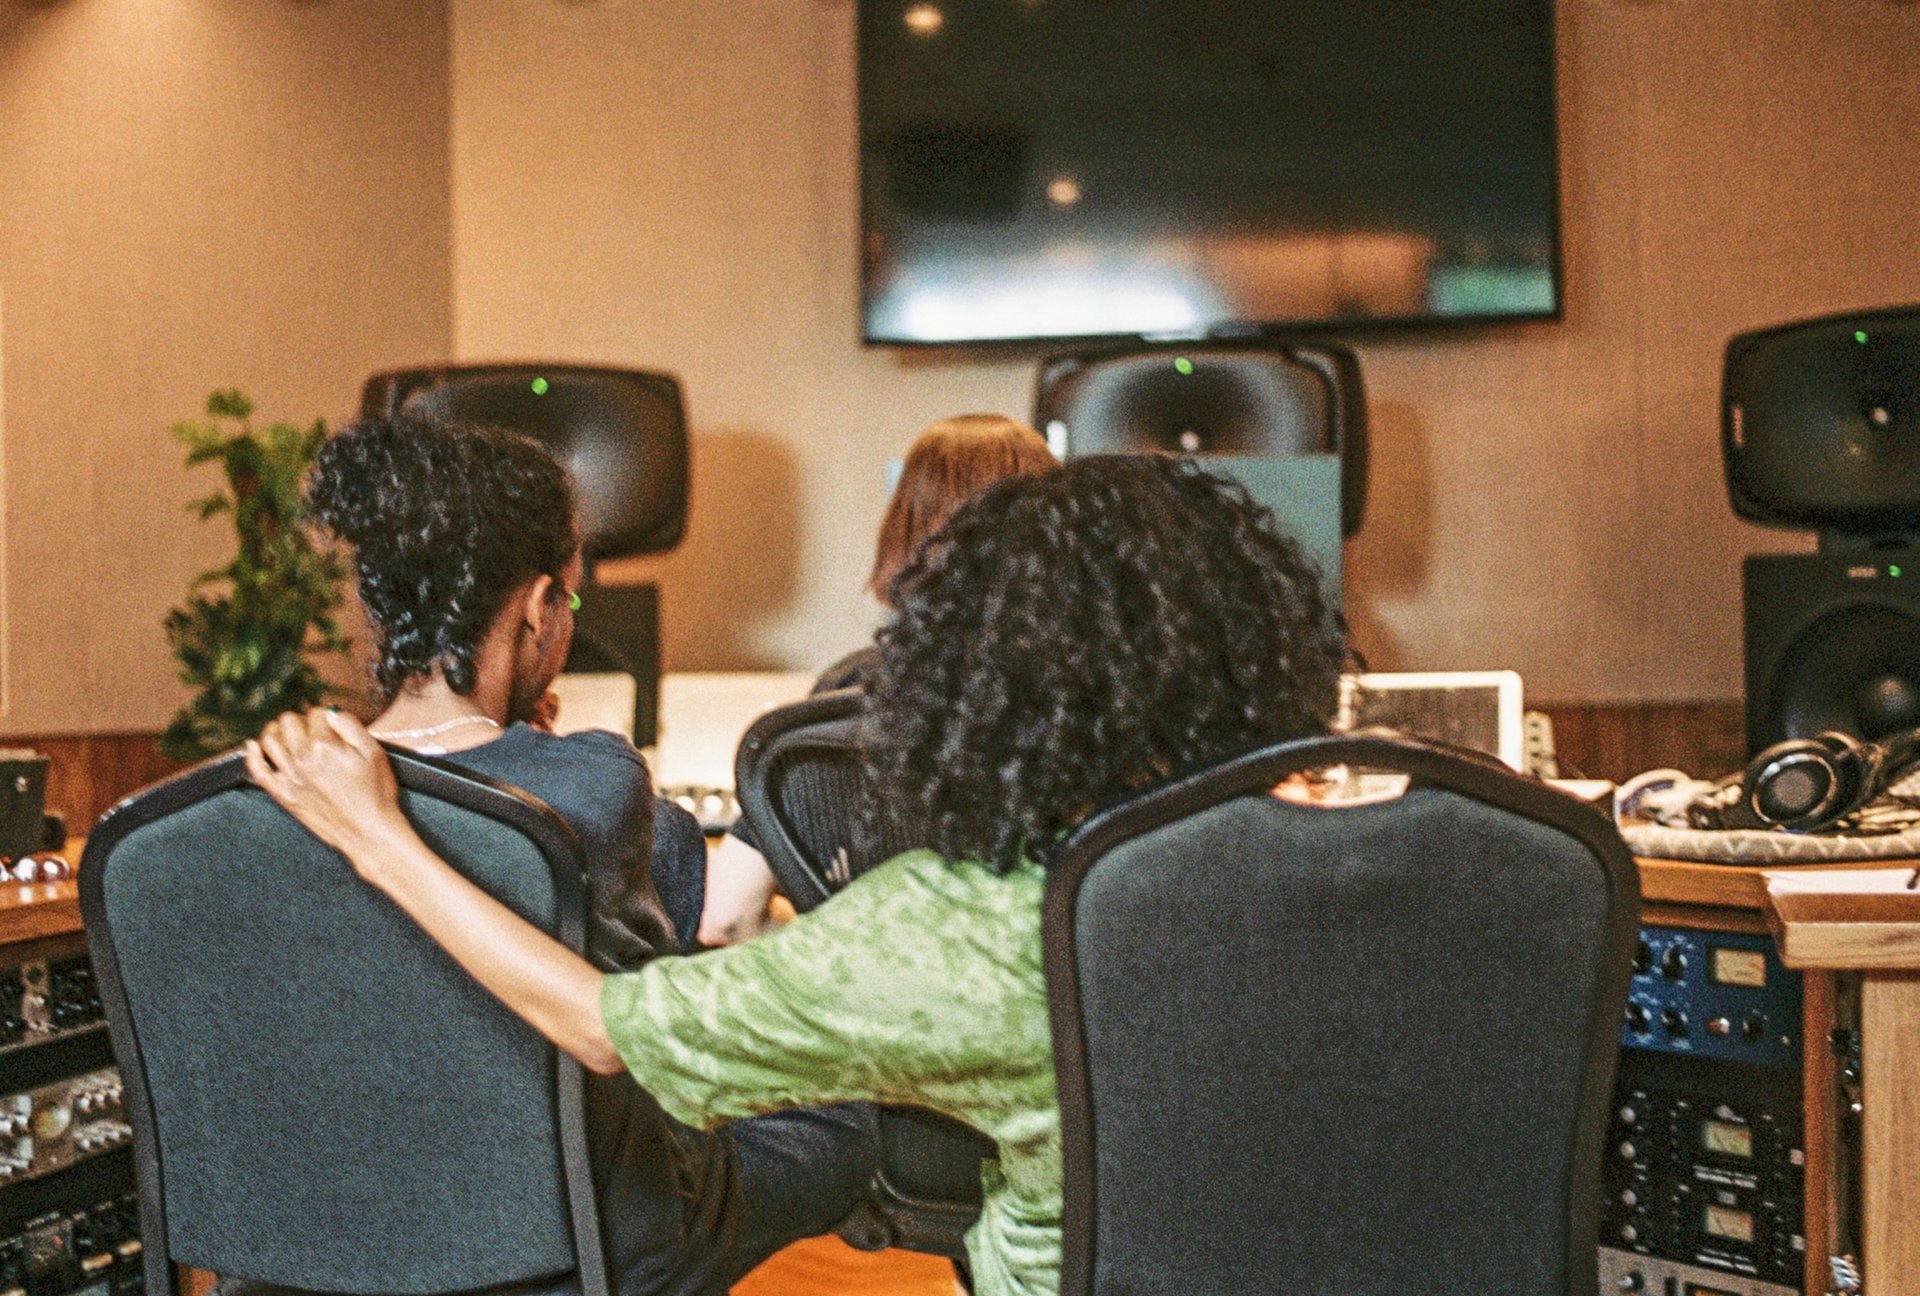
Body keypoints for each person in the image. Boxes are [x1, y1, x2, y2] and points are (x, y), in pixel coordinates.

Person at [246, 454, 1348, 1296]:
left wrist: (379, 837)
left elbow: (605, 1025)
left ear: (973, 673)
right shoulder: (1393, 880)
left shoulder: (957, 930)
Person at [296, 414, 876, 1295]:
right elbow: (667, 976)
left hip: (332, 1242)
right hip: (594, 1247)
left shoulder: (279, 791)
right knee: (851, 1107)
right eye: (569, 601)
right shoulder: (595, 784)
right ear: (538, 609)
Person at [699, 412, 1058, 945]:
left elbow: (726, 918)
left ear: (904, 536)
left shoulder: (850, 691)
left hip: (879, 991)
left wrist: (840, 949)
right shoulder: (1094, 697)